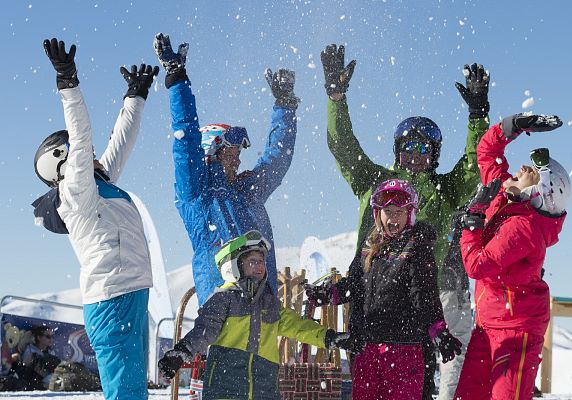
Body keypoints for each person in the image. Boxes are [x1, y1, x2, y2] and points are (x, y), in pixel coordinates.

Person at [321, 44, 490, 400]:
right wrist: (337, 97)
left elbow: (475, 166)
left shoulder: (445, 190)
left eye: (424, 149)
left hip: (416, 312)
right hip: (370, 306)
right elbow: (344, 148)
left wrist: (478, 115)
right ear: (397, 151)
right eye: (408, 148)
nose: (415, 155)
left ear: (434, 155)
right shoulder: (375, 181)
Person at [33, 38, 159, 400]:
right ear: (64, 165)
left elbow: (121, 144)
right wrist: (67, 81)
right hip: (111, 299)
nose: (91, 156)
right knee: (126, 394)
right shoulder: (76, 193)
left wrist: (135, 96)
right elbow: (81, 133)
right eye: (78, 155)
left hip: (129, 293)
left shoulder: (98, 185)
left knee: (132, 391)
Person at [153, 33, 299, 306]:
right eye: (231, 155)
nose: (238, 162)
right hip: (221, 310)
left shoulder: (248, 191)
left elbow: (278, 159)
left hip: (262, 307)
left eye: (238, 155)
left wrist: (285, 106)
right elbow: (186, 142)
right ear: (210, 155)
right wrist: (177, 81)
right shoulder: (197, 193)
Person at [306, 179, 463, 400]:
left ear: (411, 214)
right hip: (367, 348)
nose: (393, 217)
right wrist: (328, 294)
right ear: (377, 214)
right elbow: (354, 285)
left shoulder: (416, 247)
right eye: (388, 211)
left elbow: (424, 295)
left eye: (400, 211)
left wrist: (439, 331)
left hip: (403, 350)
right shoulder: (369, 246)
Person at [453, 114, 568, 400]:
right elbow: (487, 152)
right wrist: (515, 125)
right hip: (488, 323)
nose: (522, 168)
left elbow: (476, 265)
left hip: (515, 330)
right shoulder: (504, 196)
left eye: (533, 173)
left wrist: (473, 220)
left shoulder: (525, 227)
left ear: (539, 193)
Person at [158, 230, 349, 400]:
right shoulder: (224, 299)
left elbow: (297, 326)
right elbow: (204, 330)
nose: (260, 266)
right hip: (226, 389)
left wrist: (328, 337)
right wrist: (182, 352)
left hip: (264, 389)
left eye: (262, 262)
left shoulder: (270, 304)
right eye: (253, 261)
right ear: (234, 267)